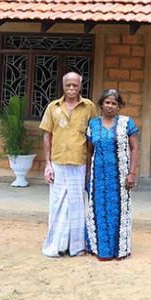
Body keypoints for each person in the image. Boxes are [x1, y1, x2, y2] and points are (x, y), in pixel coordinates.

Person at [39, 71, 97, 257]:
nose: (71, 89)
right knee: (57, 205)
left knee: (77, 205)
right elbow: (47, 136)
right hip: (58, 162)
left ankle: (76, 247)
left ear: (81, 85)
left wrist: (90, 167)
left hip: (79, 163)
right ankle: (55, 246)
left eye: (75, 85)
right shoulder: (53, 107)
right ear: (63, 86)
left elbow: (92, 138)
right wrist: (47, 164)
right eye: (68, 85)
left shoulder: (88, 107)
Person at [86, 89, 139, 260]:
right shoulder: (93, 124)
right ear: (101, 104)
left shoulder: (126, 123)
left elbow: (135, 148)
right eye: (107, 102)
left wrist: (132, 173)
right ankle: (102, 250)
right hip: (98, 176)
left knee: (119, 211)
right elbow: (89, 152)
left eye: (114, 103)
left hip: (120, 177)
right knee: (99, 210)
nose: (110, 106)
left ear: (119, 106)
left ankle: (120, 250)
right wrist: (87, 175)